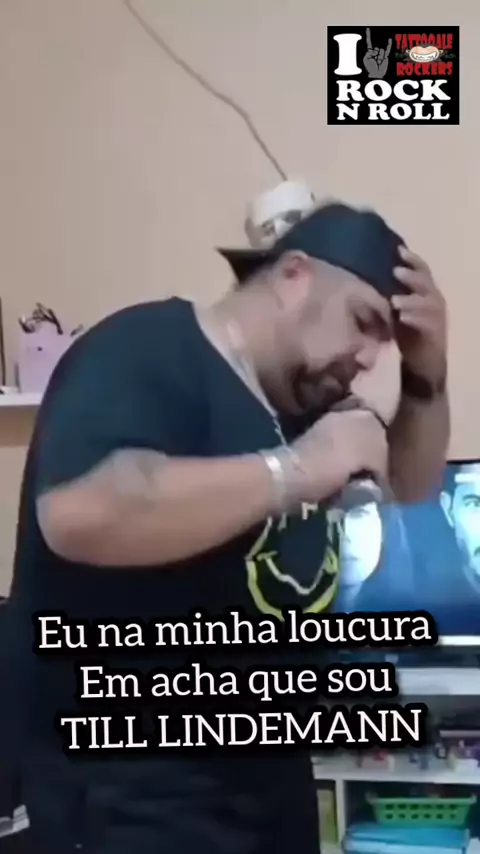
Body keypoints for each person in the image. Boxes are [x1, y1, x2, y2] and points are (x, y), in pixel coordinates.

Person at [6, 202, 449, 854]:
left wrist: (426, 378)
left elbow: (412, 485)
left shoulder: (306, 406)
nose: (364, 359)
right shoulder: (149, 346)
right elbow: (79, 514)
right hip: (133, 801)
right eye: (362, 323)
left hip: (267, 787)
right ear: (293, 275)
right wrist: (297, 470)